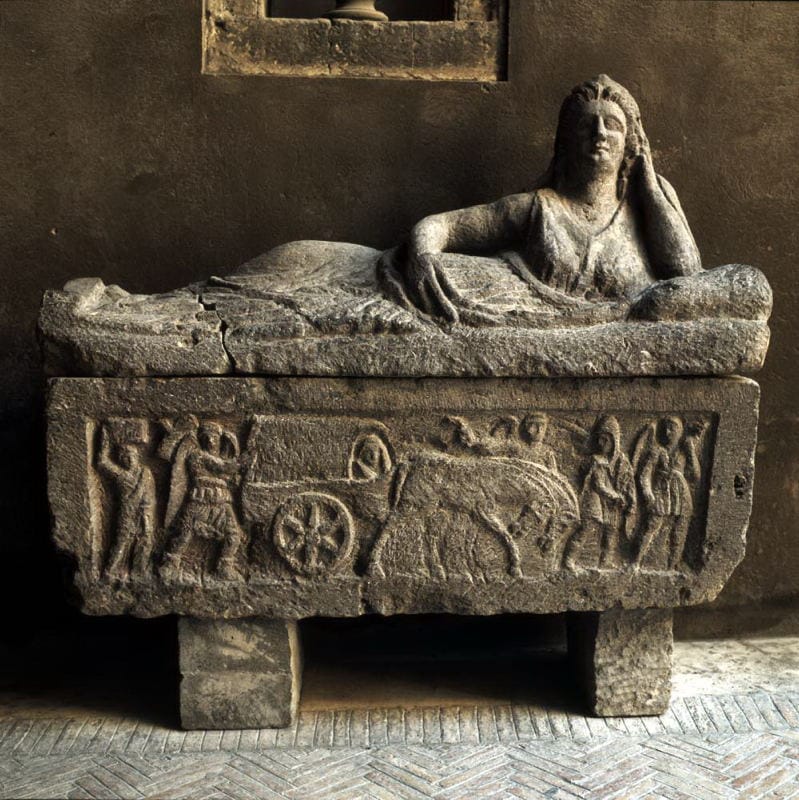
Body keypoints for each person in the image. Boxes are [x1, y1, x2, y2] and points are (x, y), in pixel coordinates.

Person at [378, 74, 768, 327]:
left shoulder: (646, 208)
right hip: (506, 302)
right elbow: (443, 226)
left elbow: (686, 273)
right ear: (567, 140)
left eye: (613, 125)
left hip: (613, 322)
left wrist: (648, 181)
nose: (600, 133)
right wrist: (423, 256)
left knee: (752, 285)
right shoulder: (538, 207)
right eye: (587, 125)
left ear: (631, 142)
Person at [160, 420, 245, 581]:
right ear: (201, 440)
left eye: (214, 437)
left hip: (221, 502)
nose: (210, 441)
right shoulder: (197, 456)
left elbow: (227, 472)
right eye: (206, 437)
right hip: (199, 499)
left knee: (234, 534)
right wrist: (241, 461)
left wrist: (234, 453)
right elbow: (223, 467)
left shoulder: (220, 458)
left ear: (219, 440)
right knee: (184, 533)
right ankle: (169, 565)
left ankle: (224, 567)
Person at [564, 415, 636, 570]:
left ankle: (605, 562)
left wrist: (631, 501)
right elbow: (598, 485)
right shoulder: (596, 461)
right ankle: (569, 560)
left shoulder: (622, 461)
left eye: (605, 440)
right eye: (599, 439)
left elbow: (629, 483)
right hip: (595, 499)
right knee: (586, 529)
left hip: (613, 504)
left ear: (614, 441)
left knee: (611, 533)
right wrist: (615, 496)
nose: (600, 443)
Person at [97, 426, 156, 580]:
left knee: (145, 540)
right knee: (122, 541)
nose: (128, 459)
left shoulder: (145, 473)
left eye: (131, 456)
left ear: (137, 456)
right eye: (124, 457)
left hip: (144, 512)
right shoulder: (121, 475)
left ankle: (139, 572)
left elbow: (149, 497)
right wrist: (105, 439)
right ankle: (109, 571)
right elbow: (102, 461)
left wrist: (146, 517)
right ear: (120, 460)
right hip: (127, 513)